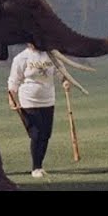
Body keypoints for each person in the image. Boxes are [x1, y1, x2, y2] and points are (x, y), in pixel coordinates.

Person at [8, 43, 70, 178]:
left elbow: (61, 71)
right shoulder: (21, 58)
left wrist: (65, 81)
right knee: (36, 134)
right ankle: (36, 167)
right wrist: (11, 98)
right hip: (28, 101)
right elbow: (14, 80)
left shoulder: (52, 55)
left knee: (46, 134)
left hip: (48, 99)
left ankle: (40, 165)